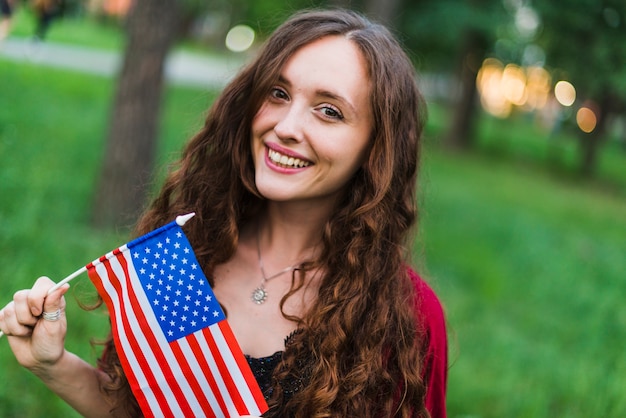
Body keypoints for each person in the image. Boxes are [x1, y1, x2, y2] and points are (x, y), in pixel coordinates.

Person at [0, 8, 448, 418]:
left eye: (329, 111)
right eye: (278, 92)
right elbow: (138, 410)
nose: (286, 128)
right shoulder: (185, 254)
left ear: (376, 148)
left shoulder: (400, 317)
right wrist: (52, 365)